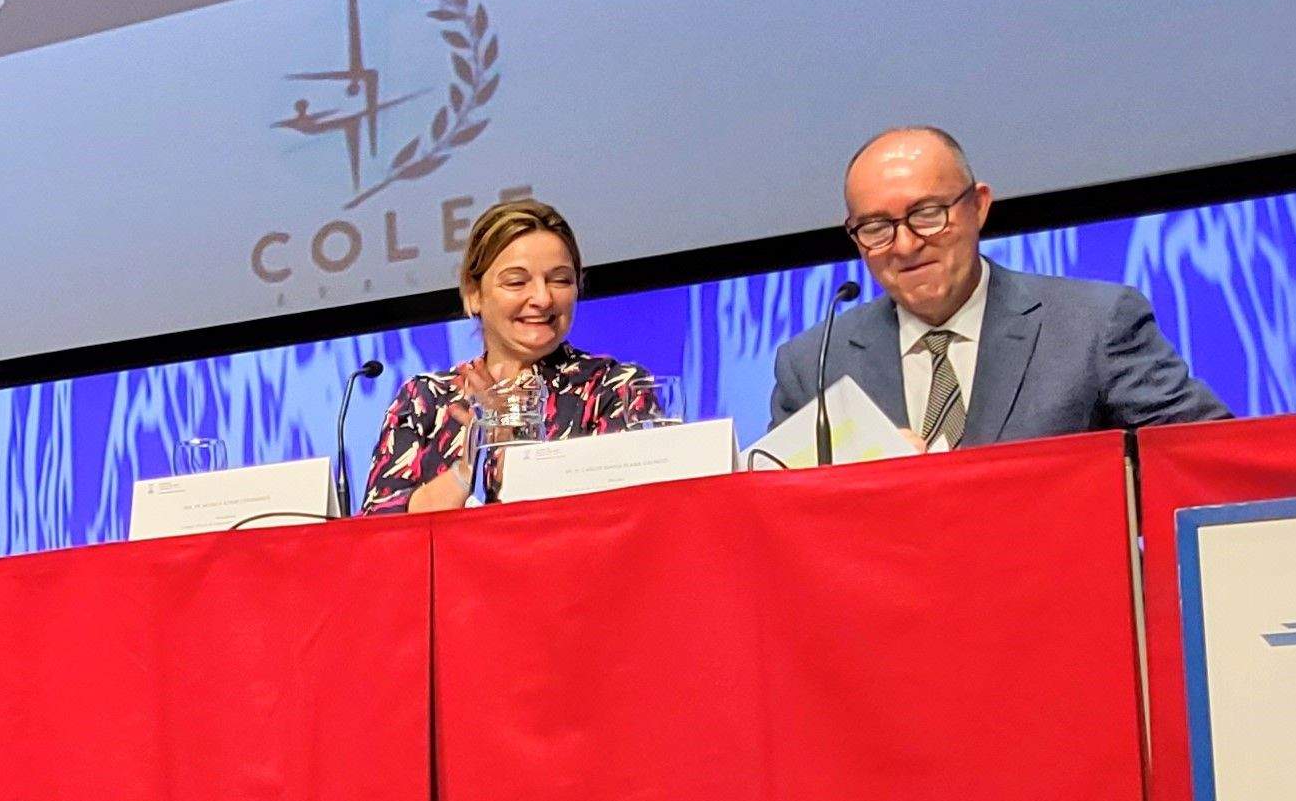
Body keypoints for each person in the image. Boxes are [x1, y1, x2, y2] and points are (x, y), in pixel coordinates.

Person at [769, 127, 1227, 446]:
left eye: (928, 215)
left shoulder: (1092, 326)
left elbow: (1204, 459)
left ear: (978, 207)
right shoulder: (814, 365)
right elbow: (777, 518)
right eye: (875, 227)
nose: (905, 245)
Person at [361, 199, 663, 513]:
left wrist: (513, 445)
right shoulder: (426, 399)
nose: (543, 298)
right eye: (517, 282)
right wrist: (473, 454)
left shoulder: (615, 388)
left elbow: (629, 516)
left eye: (560, 280)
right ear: (473, 294)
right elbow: (382, 530)